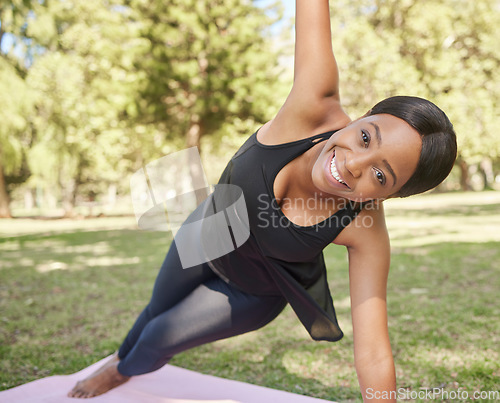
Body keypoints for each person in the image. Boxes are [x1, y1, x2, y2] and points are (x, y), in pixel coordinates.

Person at [68, 0, 457, 401]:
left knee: (157, 338)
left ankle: (122, 369)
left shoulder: (364, 227)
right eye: (365, 136)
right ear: (362, 117)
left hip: (251, 291)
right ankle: (120, 360)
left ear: (390, 195)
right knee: (154, 311)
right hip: (207, 233)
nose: (354, 163)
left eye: (380, 175)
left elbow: (374, 350)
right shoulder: (310, 107)